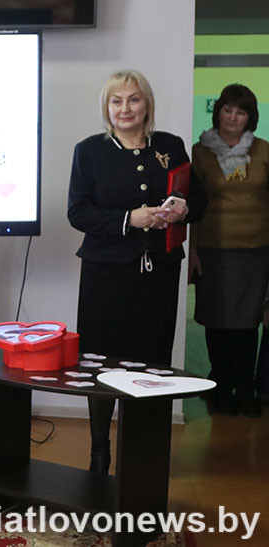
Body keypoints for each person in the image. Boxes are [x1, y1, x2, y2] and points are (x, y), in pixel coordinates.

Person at [68, 69, 206, 474]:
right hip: (105, 278)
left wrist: (183, 208)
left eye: (133, 99)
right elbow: (78, 212)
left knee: (153, 365)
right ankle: (99, 451)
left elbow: (198, 199)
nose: (125, 108)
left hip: (158, 276)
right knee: (99, 365)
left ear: (146, 104)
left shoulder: (170, 145)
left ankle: (146, 451)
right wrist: (130, 218)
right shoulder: (89, 151)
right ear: (106, 107)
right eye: (116, 101)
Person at [189, 84, 269, 417]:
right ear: (217, 112)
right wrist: (192, 250)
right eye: (227, 109)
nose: (233, 117)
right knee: (217, 321)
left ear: (250, 117)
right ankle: (221, 386)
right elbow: (191, 208)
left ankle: (245, 387)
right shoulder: (199, 152)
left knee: (248, 324)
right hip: (213, 249)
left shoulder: (264, 151)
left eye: (241, 112)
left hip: (257, 250)